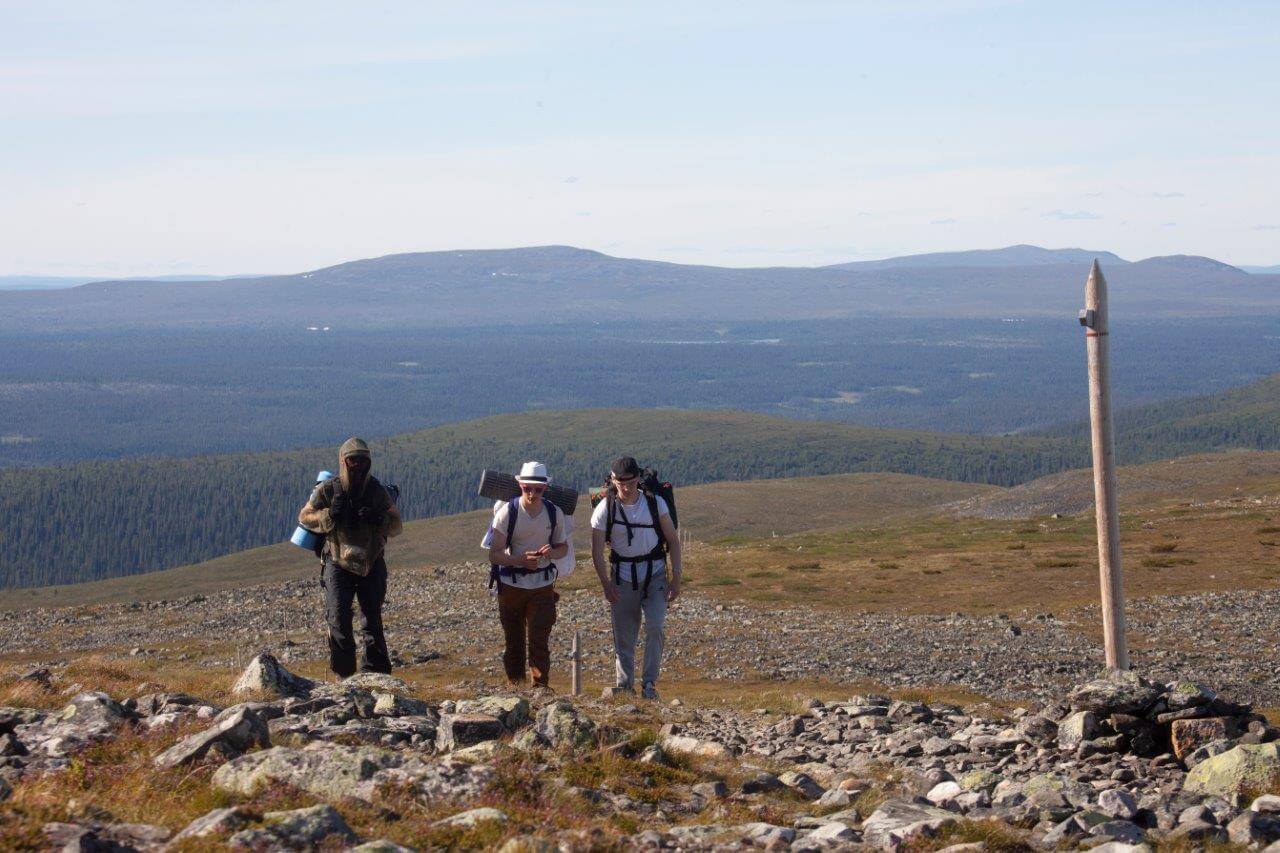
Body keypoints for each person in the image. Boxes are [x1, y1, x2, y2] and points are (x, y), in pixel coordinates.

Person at [298, 437, 402, 677]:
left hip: (371, 561)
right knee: (338, 619)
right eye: (353, 460)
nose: (358, 465)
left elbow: (396, 524)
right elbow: (305, 517)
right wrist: (328, 515)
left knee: (372, 621)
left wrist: (379, 519)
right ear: (344, 461)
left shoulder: (376, 490)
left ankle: (374, 674)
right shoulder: (329, 489)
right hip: (337, 561)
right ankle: (345, 677)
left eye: (363, 461)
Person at [591, 456, 681, 700]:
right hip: (622, 576)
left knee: (655, 625)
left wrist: (676, 578)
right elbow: (596, 551)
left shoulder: (655, 503)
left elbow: (673, 540)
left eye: (630, 482)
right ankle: (625, 687)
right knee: (624, 634)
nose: (626, 487)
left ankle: (649, 685)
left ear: (638, 479)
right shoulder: (604, 508)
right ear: (613, 480)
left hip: (655, 574)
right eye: (621, 482)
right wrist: (605, 584)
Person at [487, 461, 569, 690]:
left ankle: (540, 688)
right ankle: (516, 686)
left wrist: (551, 553)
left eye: (538, 489)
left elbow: (563, 547)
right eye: (527, 489)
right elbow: (494, 555)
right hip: (511, 585)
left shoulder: (554, 514)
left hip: (542, 585)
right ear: (520, 486)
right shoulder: (507, 513)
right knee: (513, 640)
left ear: (545, 489)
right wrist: (520, 561)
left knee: (539, 639)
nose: (532, 494)